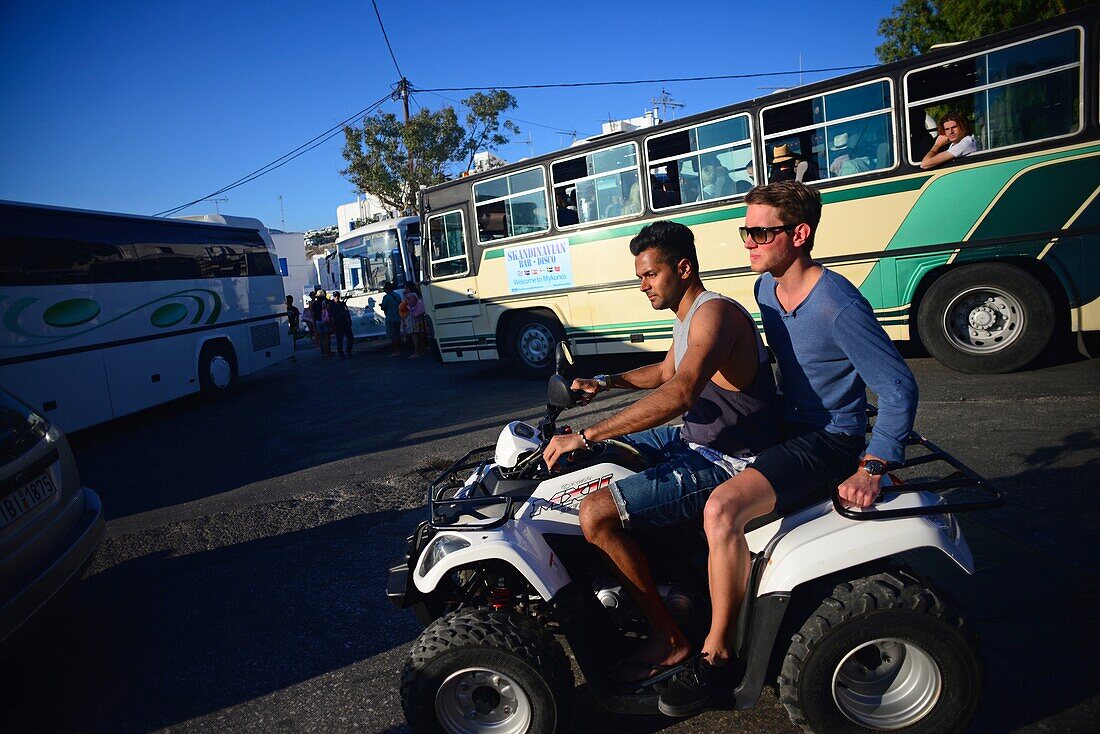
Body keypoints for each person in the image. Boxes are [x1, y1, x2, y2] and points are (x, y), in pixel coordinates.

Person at [657, 181, 918, 717]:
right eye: (745, 231)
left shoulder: (837, 304)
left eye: (760, 231)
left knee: (722, 507)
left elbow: (898, 388)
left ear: (799, 235)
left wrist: (873, 464)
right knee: (672, 463)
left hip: (829, 439)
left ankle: (717, 656)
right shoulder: (766, 292)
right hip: (781, 427)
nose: (748, 241)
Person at [541, 220, 780, 682]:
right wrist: (606, 382)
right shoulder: (690, 316)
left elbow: (681, 393)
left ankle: (671, 638)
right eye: (639, 278)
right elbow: (667, 370)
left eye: (649, 275)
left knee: (595, 512)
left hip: (728, 460)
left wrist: (588, 434)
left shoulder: (716, 314)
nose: (643, 286)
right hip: (694, 440)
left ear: (683, 268)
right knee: (596, 461)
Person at [381, 282, 404, 357]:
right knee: (397, 334)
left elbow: (383, 307)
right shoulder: (397, 295)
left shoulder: (386, 297)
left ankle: (396, 351)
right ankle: (400, 350)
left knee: (393, 336)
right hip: (398, 317)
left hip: (390, 318)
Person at [329, 291, 354, 357]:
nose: (336, 297)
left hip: (345, 322)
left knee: (350, 338)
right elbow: (330, 315)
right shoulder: (331, 305)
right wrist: (332, 324)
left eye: (337, 296)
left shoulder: (342, 304)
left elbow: (347, 312)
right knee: (339, 339)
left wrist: (349, 320)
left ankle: (348, 350)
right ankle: (340, 352)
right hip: (337, 323)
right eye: (335, 296)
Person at [406, 289, 427, 358]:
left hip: (414, 318)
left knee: (415, 335)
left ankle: (416, 352)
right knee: (419, 334)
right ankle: (421, 351)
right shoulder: (415, 295)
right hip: (418, 317)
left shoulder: (411, 296)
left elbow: (411, 304)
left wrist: (406, 303)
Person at [285, 295, 300, 362]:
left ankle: (291, 354)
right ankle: (292, 355)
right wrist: (297, 326)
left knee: (290, 341)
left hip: (288, 327)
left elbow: (297, 319)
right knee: (292, 341)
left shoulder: (284, 309)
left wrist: (297, 326)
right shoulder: (295, 309)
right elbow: (297, 319)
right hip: (291, 326)